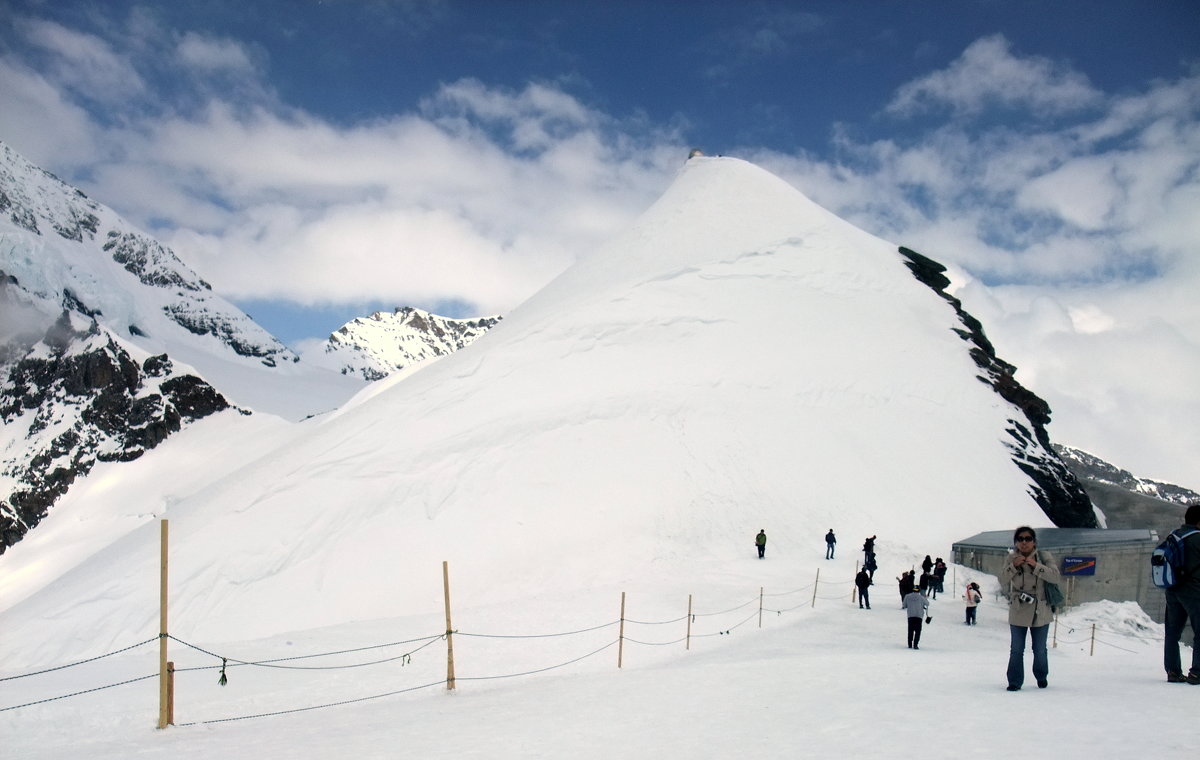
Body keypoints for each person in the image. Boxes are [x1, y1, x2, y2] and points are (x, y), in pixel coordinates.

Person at [1002, 526, 1061, 691]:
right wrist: (1013, 566)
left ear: (1034, 541)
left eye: (1028, 539)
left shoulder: (1044, 556)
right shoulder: (1011, 558)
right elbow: (1002, 579)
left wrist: (1036, 566)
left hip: (1040, 609)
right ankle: (1014, 681)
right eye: (1020, 539)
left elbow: (1055, 577)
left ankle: (1041, 676)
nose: (1024, 542)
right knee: (1016, 649)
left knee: (1039, 648)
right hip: (1018, 608)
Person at [1163, 503, 1200, 684]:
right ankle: (1196, 673)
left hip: (1173, 589)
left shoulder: (1174, 535)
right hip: (1194, 591)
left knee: (1172, 633)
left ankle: (1173, 672)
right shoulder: (1198, 539)